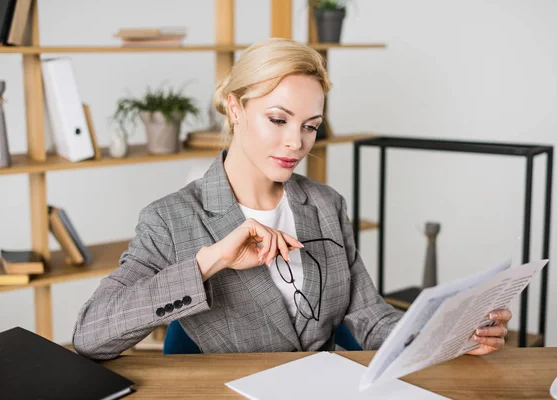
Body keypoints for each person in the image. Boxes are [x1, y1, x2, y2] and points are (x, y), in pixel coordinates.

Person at [72, 38, 511, 361]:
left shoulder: (325, 204)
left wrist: (446, 336)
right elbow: (90, 336)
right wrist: (209, 261)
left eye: (310, 125)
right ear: (235, 108)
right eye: (278, 119)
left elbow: (370, 318)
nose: (295, 143)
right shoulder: (171, 219)